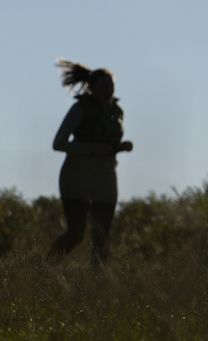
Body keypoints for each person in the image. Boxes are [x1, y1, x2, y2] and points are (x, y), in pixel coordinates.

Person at [49, 59, 133, 267]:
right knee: (76, 234)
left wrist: (119, 147)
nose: (109, 90)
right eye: (104, 86)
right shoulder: (80, 109)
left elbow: (107, 145)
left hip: (105, 176)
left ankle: (97, 286)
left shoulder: (117, 111)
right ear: (92, 88)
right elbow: (58, 143)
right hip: (76, 177)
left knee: (102, 236)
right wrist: (90, 148)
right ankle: (45, 270)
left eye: (111, 85)